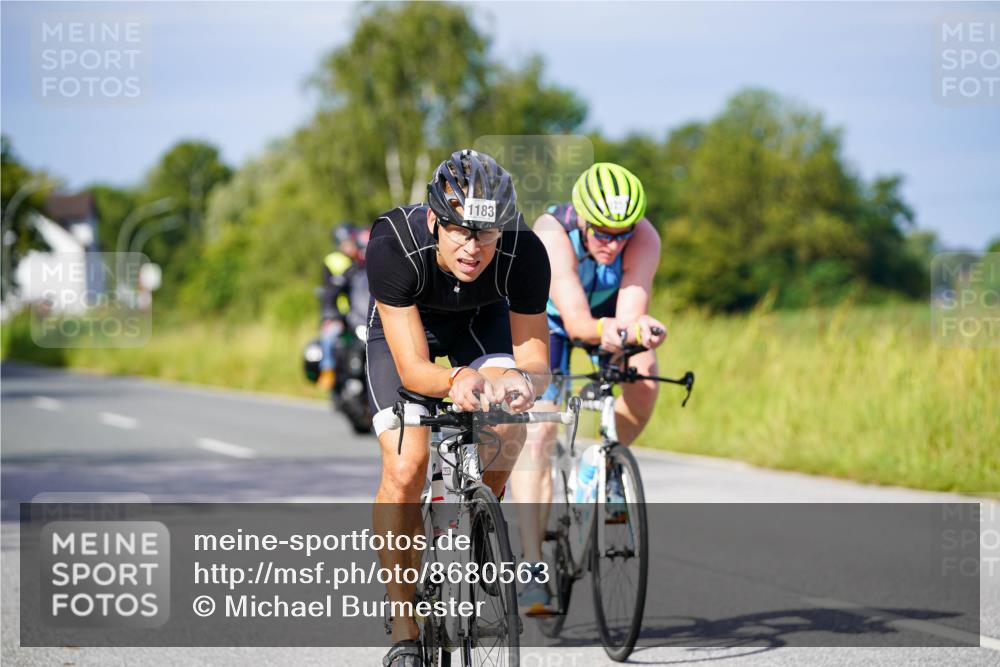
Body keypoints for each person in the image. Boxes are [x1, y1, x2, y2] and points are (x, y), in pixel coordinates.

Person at [366, 149, 552, 667]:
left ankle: (478, 514)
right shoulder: (393, 245)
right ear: (434, 220)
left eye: (486, 235)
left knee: (511, 418)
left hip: (480, 322)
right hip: (408, 330)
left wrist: (520, 382)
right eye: (459, 232)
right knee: (407, 465)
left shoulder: (525, 253)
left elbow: (536, 362)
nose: (473, 247)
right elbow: (413, 371)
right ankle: (405, 627)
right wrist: (454, 379)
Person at [510, 162, 668, 614]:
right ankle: (532, 565)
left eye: (623, 233)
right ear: (580, 215)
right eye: (602, 232)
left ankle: (598, 464)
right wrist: (627, 332)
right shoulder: (552, 231)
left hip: (606, 320)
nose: (613, 243)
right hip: (549, 319)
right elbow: (578, 322)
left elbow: (631, 311)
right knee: (539, 431)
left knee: (646, 376)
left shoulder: (645, 237)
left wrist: (644, 333)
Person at [318, 223, 370, 391]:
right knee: (330, 336)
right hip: (337, 314)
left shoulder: (360, 261)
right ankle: (327, 370)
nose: (349, 247)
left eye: (351, 242)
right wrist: (330, 315)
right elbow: (330, 292)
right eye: (346, 243)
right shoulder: (335, 261)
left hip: (357, 314)